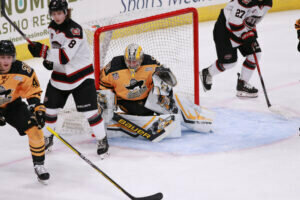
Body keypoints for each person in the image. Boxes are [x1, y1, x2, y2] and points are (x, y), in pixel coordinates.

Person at [27, 0, 108, 156]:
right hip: (60, 77)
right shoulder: (52, 27)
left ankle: (102, 139)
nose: (56, 17)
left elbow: (64, 56)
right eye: (53, 14)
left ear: (65, 12)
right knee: (49, 112)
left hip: (81, 77)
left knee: (90, 113)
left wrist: (43, 51)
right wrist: (49, 61)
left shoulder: (74, 31)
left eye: (59, 13)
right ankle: (48, 137)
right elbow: (57, 52)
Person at [98, 44, 213, 141]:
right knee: (109, 104)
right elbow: (102, 85)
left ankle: (197, 120)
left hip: (147, 99)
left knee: (163, 88)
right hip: (125, 103)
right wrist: (106, 105)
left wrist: (166, 80)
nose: (132, 64)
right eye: (129, 61)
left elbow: (168, 80)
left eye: (135, 61)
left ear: (142, 59)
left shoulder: (150, 62)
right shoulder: (113, 67)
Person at [0, 40, 50, 184]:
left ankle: (39, 165)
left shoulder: (23, 70)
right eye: (2, 57)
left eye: (9, 57)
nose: (6, 61)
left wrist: (37, 109)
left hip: (12, 105)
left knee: (35, 129)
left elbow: (32, 92)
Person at [200, 0, 272, 98]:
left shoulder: (268, 3)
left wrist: (252, 32)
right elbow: (234, 23)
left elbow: (253, 20)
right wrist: (246, 34)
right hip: (224, 29)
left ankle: (242, 84)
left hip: (241, 28)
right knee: (229, 63)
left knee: (255, 54)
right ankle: (207, 72)